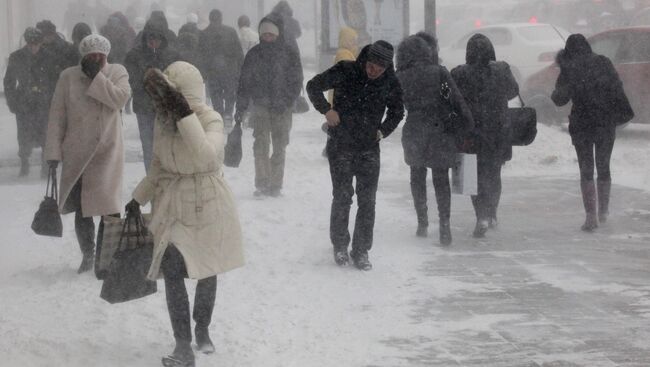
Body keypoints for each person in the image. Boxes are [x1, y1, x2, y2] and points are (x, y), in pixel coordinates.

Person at [128, 62, 244, 367]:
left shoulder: (212, 118)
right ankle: (182, 345)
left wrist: (185, 114)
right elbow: (158, 166)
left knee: (206, 270)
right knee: (173, 269)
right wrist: (137, 198)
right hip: (173, 205)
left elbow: (206, 154)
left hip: (208, 203)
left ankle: (202, 328)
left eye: (173, 98)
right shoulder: (161, 121)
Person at [306, 40, 404, 270]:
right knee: (342, 196)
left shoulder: (390, 81)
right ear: (365, 60)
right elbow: (313, 86)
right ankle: (340, 245)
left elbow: (398, 111)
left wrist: (382, 131)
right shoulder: (346, 70)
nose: (373, 72)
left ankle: (361, 250)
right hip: (341, 144)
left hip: (369, 147)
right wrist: (327, 110)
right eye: (371, 67)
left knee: (367, 201)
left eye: (379, 70)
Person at [44, 35, 131, 273]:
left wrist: (98, 78)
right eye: (90, 57)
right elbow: (57, 116)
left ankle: (105, 257)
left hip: (107, 150)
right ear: (82, 57)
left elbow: (119, 99)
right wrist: (53, 152)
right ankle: (88, 255)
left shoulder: (117, 71)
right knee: (82, 208)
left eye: (99, 56)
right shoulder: (68, 77)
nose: (95, 60)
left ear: (106, 56)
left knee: (109, 208)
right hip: (78, 151)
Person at [396, 35, 474, 245]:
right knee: (441, 180)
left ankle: (422, 222)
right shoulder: (439, 73)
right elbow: (454, 99)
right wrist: (467, 124)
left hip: (414, 131)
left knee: (417, 176)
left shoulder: (400, 77)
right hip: (440, 131)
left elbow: (395, 104)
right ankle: (445, 226)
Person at [552, 34, 632, 231]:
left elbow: (559, 99)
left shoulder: (570, 67)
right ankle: (604, 212)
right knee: (604, 166)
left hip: (582, 123)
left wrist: (564, 85)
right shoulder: (603, 62)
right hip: (605, 122)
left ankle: (590, 217)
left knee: (586, 170)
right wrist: (620, 112)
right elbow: (617, 88)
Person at [451, 34, 519, 238]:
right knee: (493, 174)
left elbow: (451, 98)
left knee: (472, 177)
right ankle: (492, 213)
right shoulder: (502, 69)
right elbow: (513, 92)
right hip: (498, 132)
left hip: (471, 133)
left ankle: (481, 215)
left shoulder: (459, 74)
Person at [234, 15, 303, 197]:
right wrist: (240, 107)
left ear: (277, 34)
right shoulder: (254, 54)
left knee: (280, 145)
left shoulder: (289, 53)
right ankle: (262, 181)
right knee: (261, 144)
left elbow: (297, 81)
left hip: (283, 108)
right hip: (261, 106)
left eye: (271, 34)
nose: (268, 37)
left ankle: (276, 183)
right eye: (264, 34)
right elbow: (244, 82)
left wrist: (287, 100)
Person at [125, 18, 181, 172]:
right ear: (145, 38)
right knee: (148, 144)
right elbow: (130, 79)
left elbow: (180, 77)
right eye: (150, 38)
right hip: (144, 106)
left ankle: (165, 175)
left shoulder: (173, 55)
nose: (153, 42)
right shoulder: (134, 55)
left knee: (167, 144)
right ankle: (151, 177)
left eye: (157, 39)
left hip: (167, 106)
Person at [3, 28, 51, 177]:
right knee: (23, 134)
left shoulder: (48, 57)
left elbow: (55, 80)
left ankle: (45, 165)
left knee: (45, 134)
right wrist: (12, 102)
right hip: (24, 102)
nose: (33, 47)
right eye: (30, 44)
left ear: (40, 43)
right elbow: (9, 82)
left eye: (36, 44)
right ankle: (24, 163)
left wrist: (52, 98)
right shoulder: (16, 57)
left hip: (43, 101)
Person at [199, 9, 244, 122]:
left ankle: (219, 114)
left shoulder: (204, 34)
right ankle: (228, 114)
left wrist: (203, 72)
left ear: (210, 19)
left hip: (213, 70)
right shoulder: (231, 31)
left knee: (216, 93)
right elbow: (238, 52)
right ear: (221, 18)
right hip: (230, 69)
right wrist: (241, 67)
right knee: (230, 92)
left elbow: (201, 55)